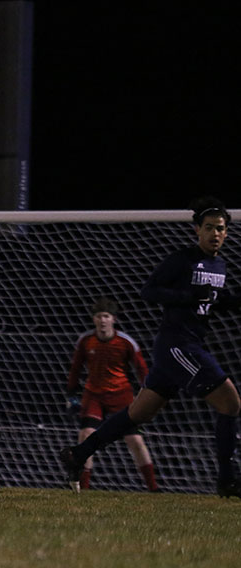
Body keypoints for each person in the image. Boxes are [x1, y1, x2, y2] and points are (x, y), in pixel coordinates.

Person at [60, 197, 241, 498]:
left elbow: (211, 301)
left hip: (185, 347)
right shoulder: (182, 260)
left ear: (226, 232)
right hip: (177, 347)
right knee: (231, 403)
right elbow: (149, 290)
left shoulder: (219, 265)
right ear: (197, 229)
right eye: (208, 228)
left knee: (136, 415)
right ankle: (227, 479)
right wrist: (187, 296)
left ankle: (77, 455)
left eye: (220, 229)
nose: (215, 234)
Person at [65, 296, 158, 492]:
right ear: (94, 319)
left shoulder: (126, 342)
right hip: (94, 395)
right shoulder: (86, 341)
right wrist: (71, 394)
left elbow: (141, 369)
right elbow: (75, 369)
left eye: (106, 316)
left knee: (135, 440)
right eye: (98, 316)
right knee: (86, 434)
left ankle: (153, 488)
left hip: (121, 395)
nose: (102, 320)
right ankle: (85, 488)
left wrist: (149, 393)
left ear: (113, 319)